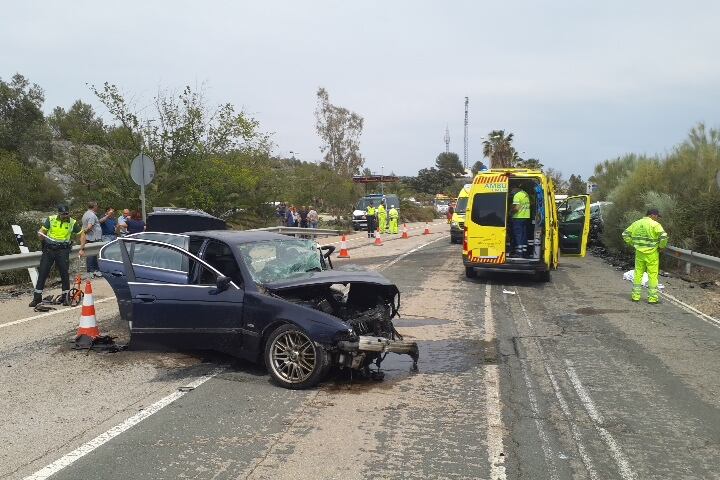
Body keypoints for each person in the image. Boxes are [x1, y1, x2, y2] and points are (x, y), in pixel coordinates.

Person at [29, 205, 86, 307]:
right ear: (59, 213)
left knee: (64, 273)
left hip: (63, 250)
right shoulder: (51, 219)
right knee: (43, 272)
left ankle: (65, 298)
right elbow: (42, 232)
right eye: (63, 214)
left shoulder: (72, 222)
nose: (65, 216)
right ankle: (37, 298)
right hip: (49, 250)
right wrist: (41, 235)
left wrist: (82, 248)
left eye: (67, 213)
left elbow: (82, 234)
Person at [622, 208, 668, 304]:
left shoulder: (637, 223)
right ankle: (652, 298)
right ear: (653, 215)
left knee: (638, 274)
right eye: (657, 217)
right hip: (652, 254)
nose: (657, 219)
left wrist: (633, 243)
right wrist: (661, 246)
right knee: (652, 275)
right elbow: (664, 236)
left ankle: (635, 296)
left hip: (639, 253)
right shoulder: (655, 225)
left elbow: (625, 234)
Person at [82, 201, 109, 277]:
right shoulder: (92, 215)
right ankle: (92, 271)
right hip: (93, 238)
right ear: (94, 207)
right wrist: (84, 233)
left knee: (92, 254)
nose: (97, 207)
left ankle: (94, 270)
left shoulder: (86, 214)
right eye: (96, 206)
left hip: (91, 237)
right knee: (91, 254)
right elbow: (90, 227)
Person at [510, 187, 531, 257]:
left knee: (518, 234)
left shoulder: (517, 195)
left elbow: (516, 208)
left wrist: (510, 213)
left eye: (512, 191)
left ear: (516, 189)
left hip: (518, 217)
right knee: (524, 234)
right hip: (526, 217)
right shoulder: (526, 194)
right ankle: (524, 251)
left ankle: (519, 252)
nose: (512, 193)